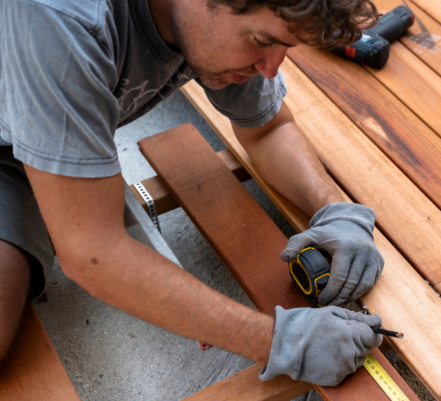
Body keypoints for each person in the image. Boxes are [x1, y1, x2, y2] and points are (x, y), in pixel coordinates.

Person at [0, 0, 386, 386]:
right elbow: (92, 252)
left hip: (24, 135)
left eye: (285, 47)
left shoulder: (209, 27)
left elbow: (268, 130)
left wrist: (335, 211)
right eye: (261, 41)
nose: (270, 68)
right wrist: (278, 342)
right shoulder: (64, 19)